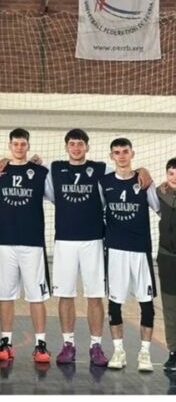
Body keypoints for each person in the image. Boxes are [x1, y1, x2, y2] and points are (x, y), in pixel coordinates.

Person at [48, 129, 109, 366]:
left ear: (87, 147)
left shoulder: (101, 169)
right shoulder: (55, 169)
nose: (76, 148)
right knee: (66, 294)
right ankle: (68, 344)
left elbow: (124, 176)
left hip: (93, 240)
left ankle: (96, 345)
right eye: (72, 144)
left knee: (95, 295)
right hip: (64, 241)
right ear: (66, 147)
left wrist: (143, 171)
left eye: (80, 144)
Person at [0, 128, 53, 363]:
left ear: (28, 146)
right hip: (5, 242)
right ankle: (5, 342)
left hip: (33, 243)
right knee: (4, 295)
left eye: (23, 144)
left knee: (36, 296)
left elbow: (55, 195)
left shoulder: (40, 172)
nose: (19, 148)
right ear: (10, 146)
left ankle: (40, 345)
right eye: (15, 144)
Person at [99, 137, 159, 372]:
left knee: (147, 305)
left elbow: (160, 209)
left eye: (125, 151)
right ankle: (118, 351)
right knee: (115, 305)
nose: (122, 156)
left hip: (140, 251)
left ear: (132, 154)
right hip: (115, 250)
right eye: (117, 152)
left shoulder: (144, 182)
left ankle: (145, 353)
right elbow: (97, 210)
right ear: (111, 156)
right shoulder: (104, 182)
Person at [158, 158, 176, 372]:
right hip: (167, 259)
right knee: (171, 308)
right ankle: (173, 352)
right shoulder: (160, 193)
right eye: (171, 173)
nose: (174, 178)